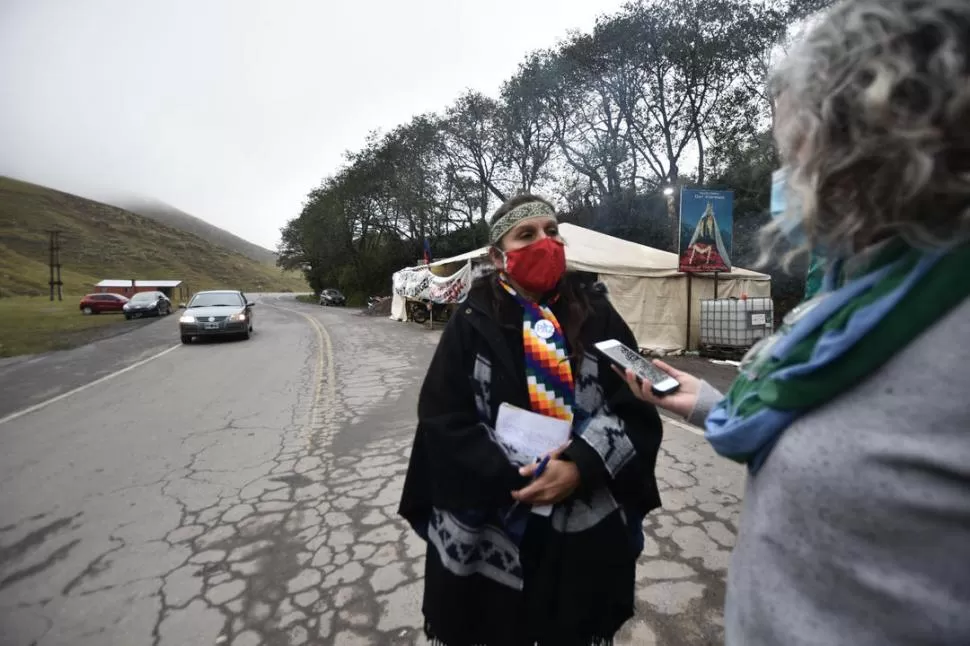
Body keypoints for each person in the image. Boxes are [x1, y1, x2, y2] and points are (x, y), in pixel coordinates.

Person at [622, 1, 970, 644]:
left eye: (795, 153)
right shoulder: (861, 295)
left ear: (874, 145)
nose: (788, 180)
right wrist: (704, 404)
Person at [399, 194, 665, 646]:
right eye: (527, 234)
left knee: (574, 628)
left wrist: (580, 465)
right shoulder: (471, 321)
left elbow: (637, 404)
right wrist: (522, 478)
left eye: (552, 231)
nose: (546, 242)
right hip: (492, 523)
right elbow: (442, 419)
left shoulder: (599, 312)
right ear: (497, 256)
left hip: (582, 527)